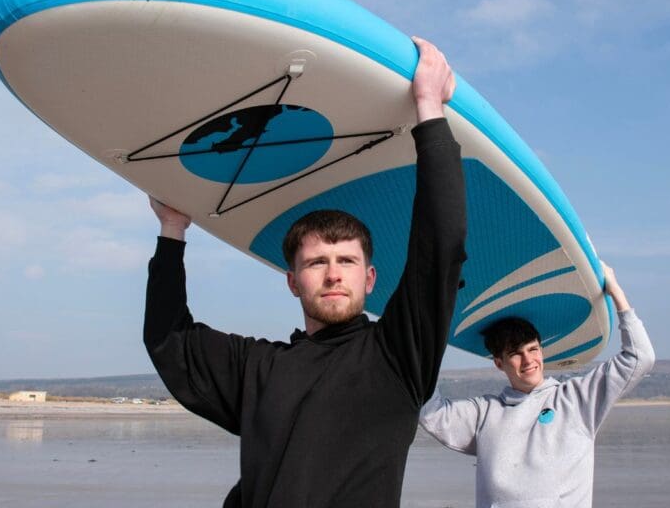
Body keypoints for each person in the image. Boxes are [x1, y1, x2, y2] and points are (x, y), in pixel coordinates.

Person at [143, 37, 467, 508]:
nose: (333, 275)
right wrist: (172, 229)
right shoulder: (258, 368)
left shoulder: (398, 355)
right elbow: (168, 339)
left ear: (370, 279)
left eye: (347, 262)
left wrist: (429, 108)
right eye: (317, 262)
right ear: (293, 281)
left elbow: (440, 244)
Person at [419, 263, 655, 508]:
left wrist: (615, 290)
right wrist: (425, 331)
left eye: (533, 349)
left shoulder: (576, 399)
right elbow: (430, 412)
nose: (528, 360)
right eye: (516, 354)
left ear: (542, 351)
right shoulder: (484, 413)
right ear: (499, 363)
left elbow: (640, 357)